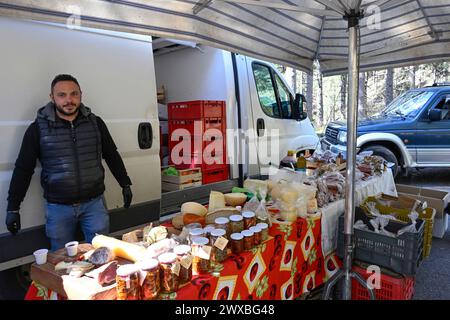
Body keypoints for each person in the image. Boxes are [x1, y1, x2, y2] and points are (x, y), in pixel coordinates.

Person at [5, 74, 133, 251]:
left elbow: (111, 155)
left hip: (94, 205)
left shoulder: (95, 123)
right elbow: (23, 169)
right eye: (62, 95)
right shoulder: (38, 129)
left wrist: (125, 183)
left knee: (101, 255)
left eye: (74, 94)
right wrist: (13, 208)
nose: (69, 100)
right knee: (62, 261)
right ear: (52, 97)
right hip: (58, 209)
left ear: (81, 94)